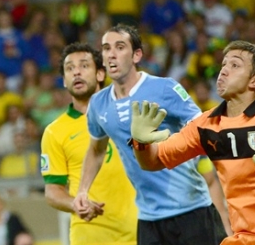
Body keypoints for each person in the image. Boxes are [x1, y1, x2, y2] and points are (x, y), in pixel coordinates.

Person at [131, 40, 255, 244]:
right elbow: (152, 162)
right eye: (224, 64)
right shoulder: (206, 125)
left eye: (235, 65)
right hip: (244, 239)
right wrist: (140, 143)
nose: (223, 71)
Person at [72, 24, 228, 245]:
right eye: (106, 49)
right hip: (148, 218)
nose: (111, 54)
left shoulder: (165, 89)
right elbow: (96, 150)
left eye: (120, 47)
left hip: (192, 210)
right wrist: (82, 191)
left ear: (137, 55)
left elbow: (201, 128)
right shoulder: (98, 104)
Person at [41, 42, 138, 244]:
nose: (76, 72)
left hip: (139, 230)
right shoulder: (54, 132)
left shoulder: (130, 114)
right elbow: (53, 191)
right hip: (90, 235)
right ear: (64, 82)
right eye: (69, 69)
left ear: (100, 74)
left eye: (84, 66)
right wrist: (75, 204)